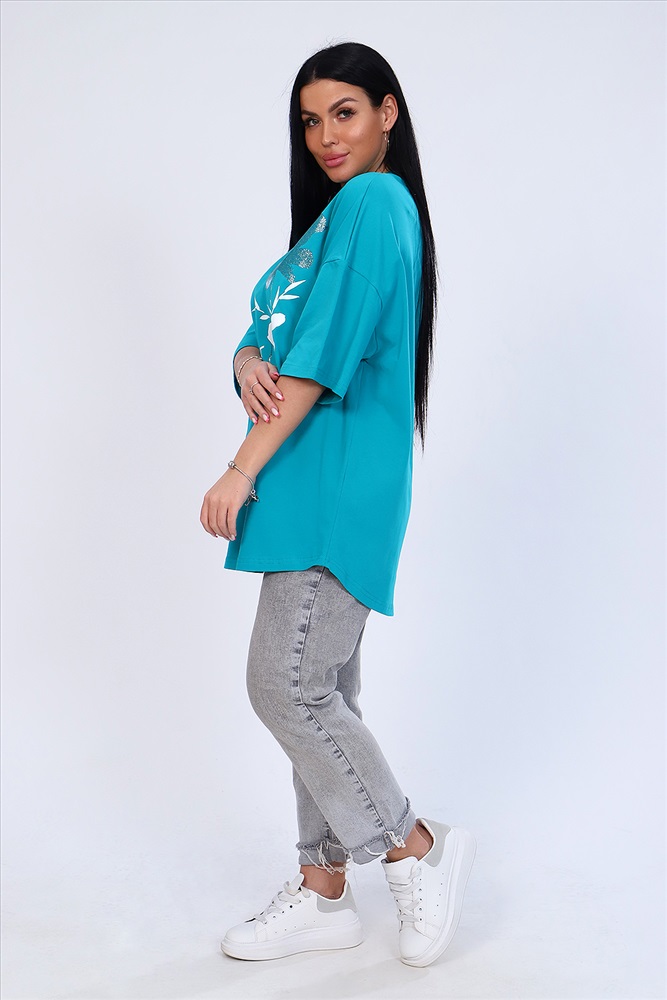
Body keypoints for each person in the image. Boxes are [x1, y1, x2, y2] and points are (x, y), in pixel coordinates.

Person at [200, 42, 475, 968]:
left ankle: (413, 845)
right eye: (311, 120)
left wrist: (239, 468)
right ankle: (323, 891)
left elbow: (319, 360)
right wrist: (243, 356)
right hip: (308, 481)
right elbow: (276, 334)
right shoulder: (331, 219)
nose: (325, 136)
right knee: (321, 691)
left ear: (387, 114)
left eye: (344, 113)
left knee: (285, 686)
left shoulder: (372, 202)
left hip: (331, 482)